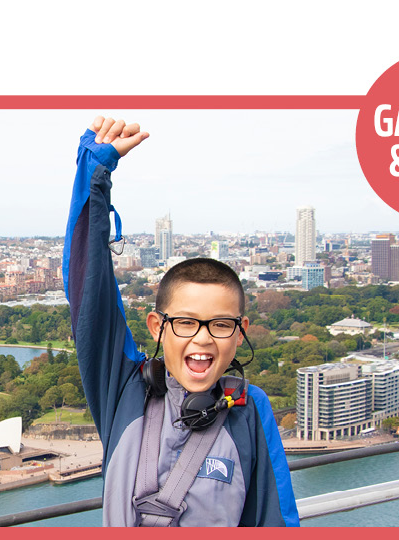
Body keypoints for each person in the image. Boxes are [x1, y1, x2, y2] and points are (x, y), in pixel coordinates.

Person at [63, 116, 299, 527]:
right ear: (157, 326)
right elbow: (90, 293)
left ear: (240, 332)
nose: (203, 340)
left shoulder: (251, 411)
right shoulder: (123, 391)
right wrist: (95, 173)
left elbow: (274, 518)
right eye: (186, 322)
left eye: (220, 324)